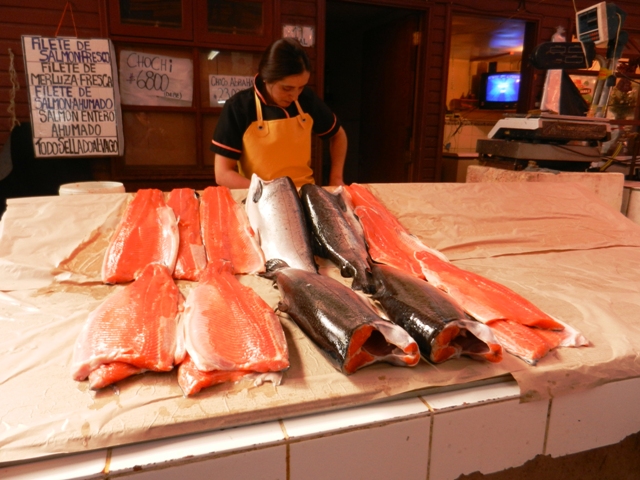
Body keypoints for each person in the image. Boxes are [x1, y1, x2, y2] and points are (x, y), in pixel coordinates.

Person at [210, 37, 347, 188]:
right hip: (260, 197)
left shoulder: (306, 98)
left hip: (305, 192)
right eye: (286, 88)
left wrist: (336, 177)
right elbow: (223, 174)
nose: (295, 96)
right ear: (266, 78)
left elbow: (338, 135)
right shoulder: (239, 107)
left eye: (301, 87)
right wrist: (267, 192)